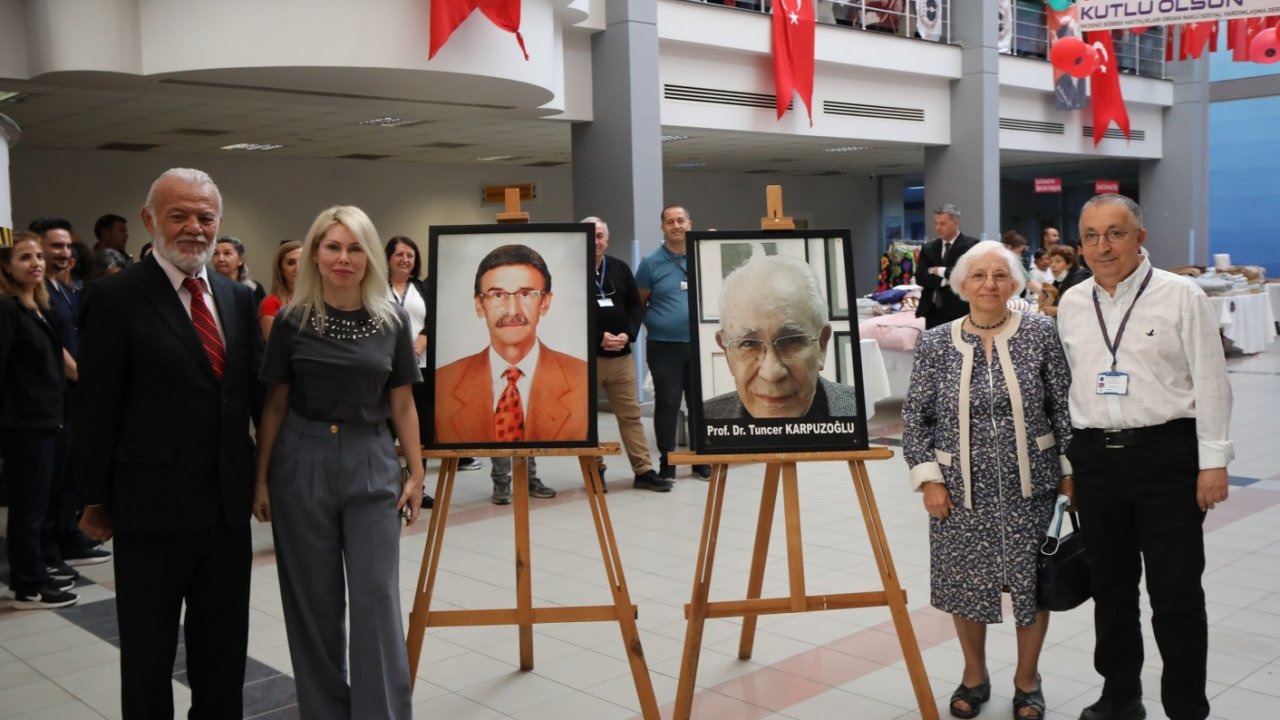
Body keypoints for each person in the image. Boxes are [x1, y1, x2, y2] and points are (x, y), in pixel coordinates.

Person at [75, 168, 263, 719]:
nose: (194, 228)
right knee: (149, 655)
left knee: (224, 652)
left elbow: (249, 397)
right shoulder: (114, 298)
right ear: (149, 220)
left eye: (205, 217)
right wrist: (92, 496)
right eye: (179, 215)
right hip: (149, 509)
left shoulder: (236, 297)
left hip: (226, 510)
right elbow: (96, 404)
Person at [1057, 194, 1232, 720]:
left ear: (1140, 237)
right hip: (1095, 461)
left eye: (1115, 233)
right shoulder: (1072, 301)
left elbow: (1211, 379)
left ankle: (1185, 706)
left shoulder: (1180, 295)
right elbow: (1068, 389)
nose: (1102, 246)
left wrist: (1214, 460)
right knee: (1110, 587)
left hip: (1166, 458)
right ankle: (1120, 695)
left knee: (1175, 591)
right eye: (1091, 235)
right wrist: (1069, 468)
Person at [254, 205, 422, 720]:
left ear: (369, 254)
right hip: (302, 460)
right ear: (315, 254)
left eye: (354, 248)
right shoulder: (291, 320)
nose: (344, 258)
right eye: (333, 247)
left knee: (375, 600)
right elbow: (276, 404)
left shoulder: (391, 320)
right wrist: (260, 478)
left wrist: (416, 472)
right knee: (313, 603)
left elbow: (402, 403)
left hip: (370, 457)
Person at [902, 240, 1073, 720]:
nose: (989, 284)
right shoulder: (937, 341)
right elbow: (917, 418)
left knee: (1031, 586)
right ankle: (974, 676)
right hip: (958, 492)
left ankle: (1027, 680)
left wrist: (1069, 476)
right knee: (967, 586)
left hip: (1032, 488)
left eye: (1000, 275)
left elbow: (1063, 408)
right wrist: (929, 480)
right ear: (962, 284)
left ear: (1015, 282)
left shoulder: (1040, 332)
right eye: (978, 275)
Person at [434, 244, 589, 446]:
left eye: (525, 294)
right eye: (498, 295)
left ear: (544, 302)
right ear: (479, 305)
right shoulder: (444, 382)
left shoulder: (581, 379)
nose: (513, 310)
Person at [0, 232, 78, 609]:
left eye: (37, 257)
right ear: (6, 268)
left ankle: (38, 568)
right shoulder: (7, 310)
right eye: (24, 258)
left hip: (50, 416)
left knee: (43, 499)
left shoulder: (38, 307)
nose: (36, 263)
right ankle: (28, 583)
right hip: (25, 422)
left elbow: (62, 361)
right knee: (28, 505)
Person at [703, 254, 855, 419]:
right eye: (748, 344)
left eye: (792, 341)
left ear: (822, 345)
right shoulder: (706, 418)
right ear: (727, 353)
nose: (772, 374)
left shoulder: (864, 415)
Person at [584, 216, 664, 492]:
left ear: (606, 239)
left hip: (621, 358)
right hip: (586, 360)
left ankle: (643, 470)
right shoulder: (572, 270)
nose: (596, 241)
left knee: (631, 417)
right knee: (587, 419)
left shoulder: (618, 267)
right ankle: (595, 470)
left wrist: (627, 335)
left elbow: (635, 306)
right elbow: (568, 314)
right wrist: (598, 338)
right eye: (591, 235)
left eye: (600, 236)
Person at [636, 204, 711, 480]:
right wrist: (659, 322)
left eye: (681, 220)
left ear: (690, 224)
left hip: (699, 345)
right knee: (667, 404)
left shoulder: (704, 256)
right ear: (663, 228)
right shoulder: (650, 263)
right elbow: (639, 303)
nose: (676, 226)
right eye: (670, 222)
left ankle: (701, 459)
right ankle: (667, 462)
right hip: (663, 347)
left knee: (699, 404)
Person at [385, 235, 438, 508]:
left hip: (421, 368)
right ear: (389, 258)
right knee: (386, 428)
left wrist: (425, 338)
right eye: (400, 255)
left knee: (420, 429)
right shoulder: (376, 289)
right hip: (386, 371)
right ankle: (390, 485)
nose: (406, 260)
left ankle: (419, 485)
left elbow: (435, 318)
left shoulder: (422, 288)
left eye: (410, 255)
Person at [915, 203, 979, 329]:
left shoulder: (971, 245)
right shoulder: (928, 248)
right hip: (932, 310)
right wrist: (946, 280)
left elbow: (966, 275)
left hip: (960, 309)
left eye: (942, 224)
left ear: (956, 222)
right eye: (936, 223)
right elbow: (920, 277)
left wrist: (937, 270)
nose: (938, 228)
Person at [259, 240, 302, 340]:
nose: (298, 268)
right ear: (281, 270)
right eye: (291, 263)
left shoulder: (317, 300)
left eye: (303, 261)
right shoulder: (271, 303)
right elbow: (275, 346)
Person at [212, 235, 267, 306]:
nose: (220, 258)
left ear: (240, 260)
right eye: (216, 254)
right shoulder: (208, 287)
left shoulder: (253, 288)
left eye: (227, 253)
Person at [1040, 246, 1091, 318]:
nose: (1053, 265)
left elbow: (1085, 307)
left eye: (1058, 261)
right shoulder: (1057, 282)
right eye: (1051, 262)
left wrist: (1058, 310)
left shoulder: (1081, 278)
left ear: (1069, 264)